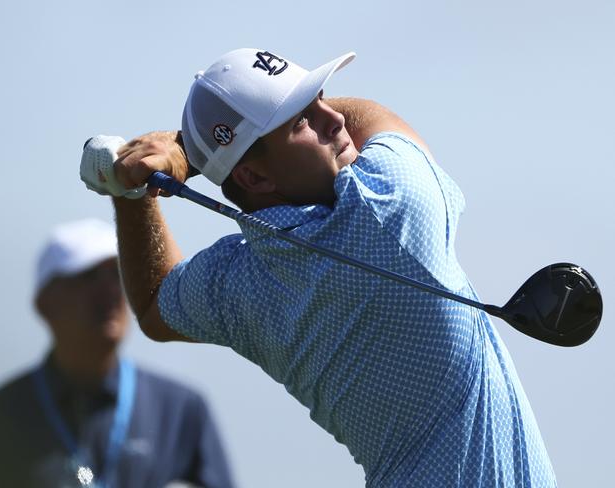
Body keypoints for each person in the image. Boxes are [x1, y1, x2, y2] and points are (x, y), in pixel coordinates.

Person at [81, 49, 557, 487]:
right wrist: (190, 149)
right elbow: (378, 117)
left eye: (321, 100)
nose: (333, 119)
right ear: (254, 176)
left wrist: (130, 193)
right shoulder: (389, 205)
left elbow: (152, 306)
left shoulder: (238, 284)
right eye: (302, 120)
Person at [0, 219, 235, 488]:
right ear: (45, 304)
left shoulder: (180, 409)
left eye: (118, 275)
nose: (110, 290)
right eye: (88, 276)